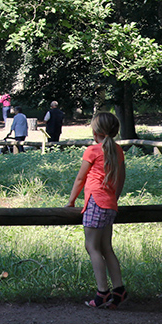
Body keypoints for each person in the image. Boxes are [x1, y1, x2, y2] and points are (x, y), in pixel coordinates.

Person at [65, 112, 127, 309]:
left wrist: (71, 201)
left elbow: (80, 179)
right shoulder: (117, 150)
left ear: (95, 131)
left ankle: (102, 292)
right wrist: (114, 198)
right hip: (109, 204)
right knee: (107, 248)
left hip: (95, 203)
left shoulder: (92, 151)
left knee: (92, 247)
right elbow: (122, 178)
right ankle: (119, 290)